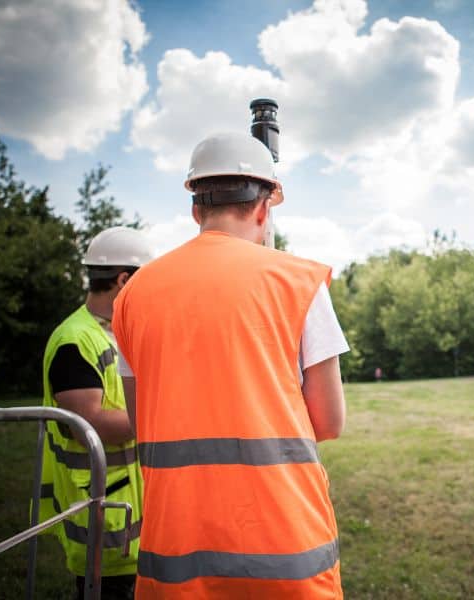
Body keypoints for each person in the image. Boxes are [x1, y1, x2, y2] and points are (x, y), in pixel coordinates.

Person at [112, 132, 349, 598]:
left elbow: (144, 424)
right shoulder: (298, 282)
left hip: (176, 548)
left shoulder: (133, 295)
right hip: (287, 547)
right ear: (264, 208)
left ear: (196, 209)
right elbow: (328, 421)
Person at [39, 226, 154, 599]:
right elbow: (89, 425)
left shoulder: (116, 332)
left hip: (128, 508)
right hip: (101, 507)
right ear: (123, 280)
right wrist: (161, 412)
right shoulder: (75, 340)